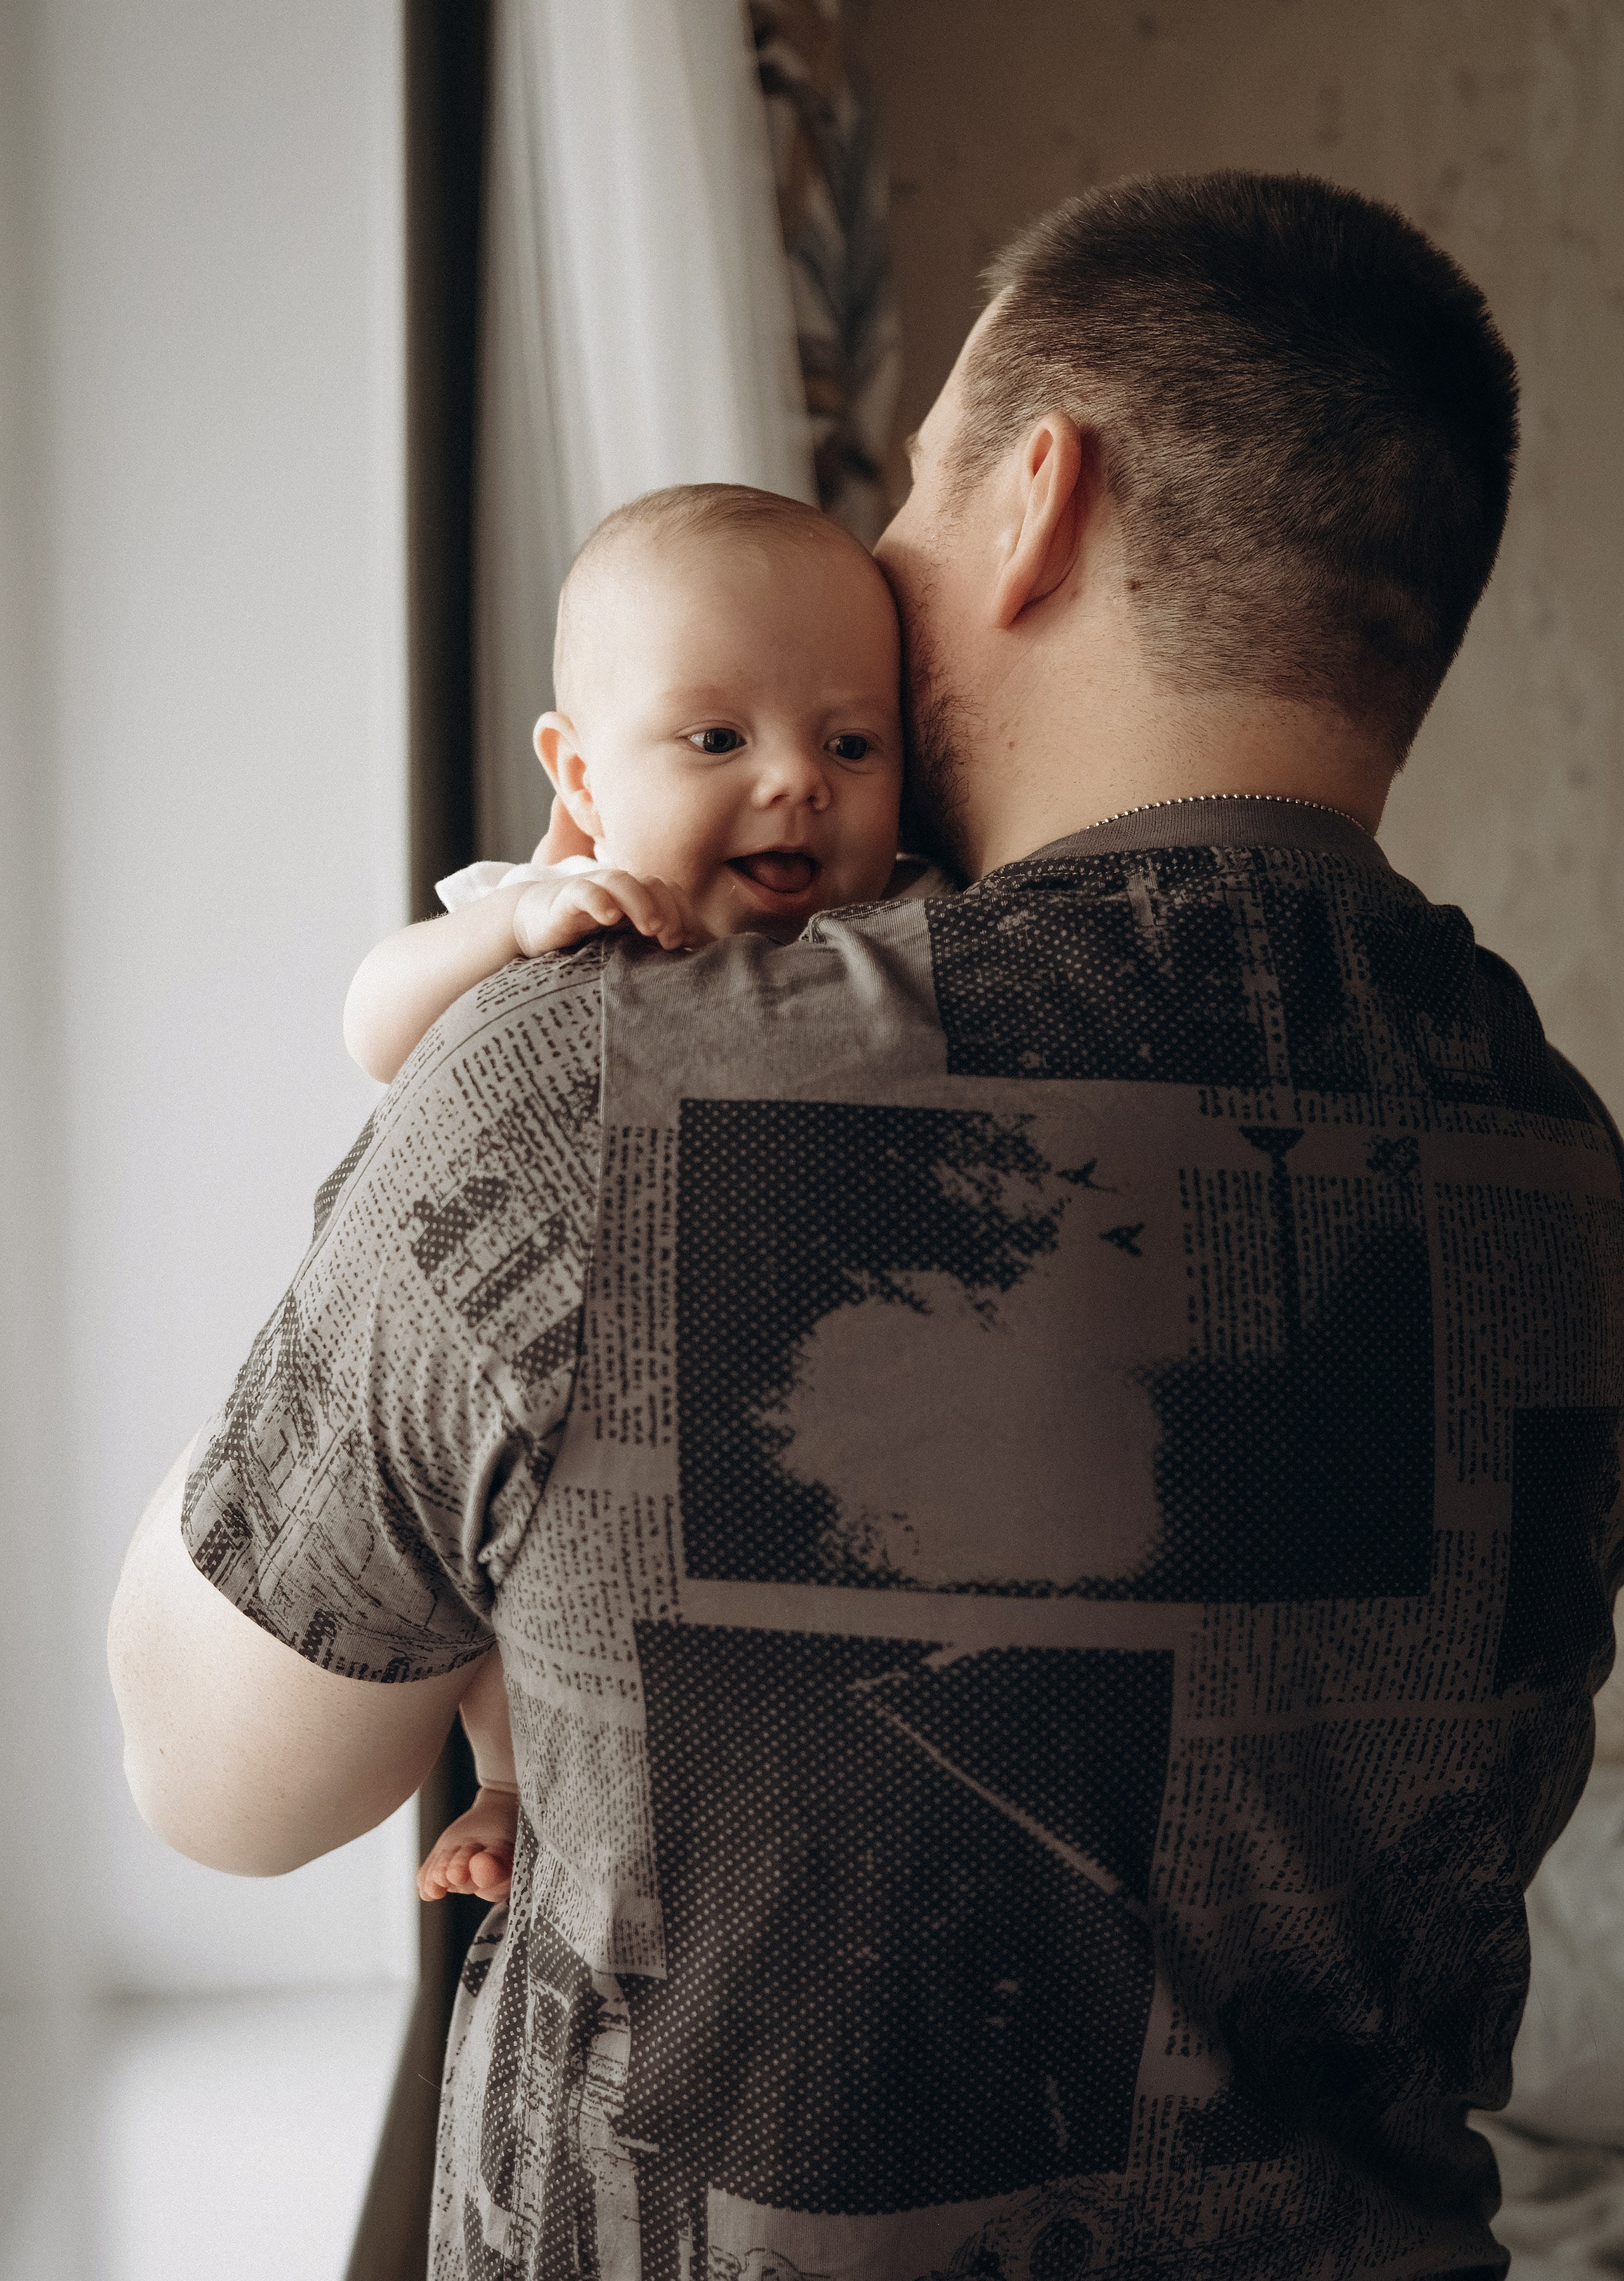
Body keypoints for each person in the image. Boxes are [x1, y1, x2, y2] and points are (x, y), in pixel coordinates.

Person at [109, 171, 1624, 2281]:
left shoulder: (585, 1079)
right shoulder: (1565, 1175)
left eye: (909, 494)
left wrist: (398, 1195)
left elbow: (218, 1785)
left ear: (1039, 501)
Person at [348, 483, 948, 1904]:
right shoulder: (561, 904)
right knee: (488, 1566)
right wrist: (511, 926)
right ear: (580, 777)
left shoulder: (897, 922)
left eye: (850, 742)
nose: (796, 779)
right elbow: (376, 1024)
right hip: (543, 1367)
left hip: (770, 1348)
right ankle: (503, 1784)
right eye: (717, 739)